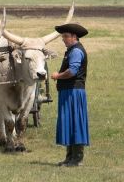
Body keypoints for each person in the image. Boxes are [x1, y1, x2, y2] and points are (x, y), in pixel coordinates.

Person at [50, 23, 89, 167]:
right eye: (63, 37)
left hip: (74, 92)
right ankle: (69, 158)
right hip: (69, 92)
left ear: (74, 37)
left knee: (75, 123)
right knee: (70, 122)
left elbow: (72, 71)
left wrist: (57, 76)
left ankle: (77, 159)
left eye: (66, 36)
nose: (63, 39)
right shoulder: (71, 50)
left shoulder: (76, 51)